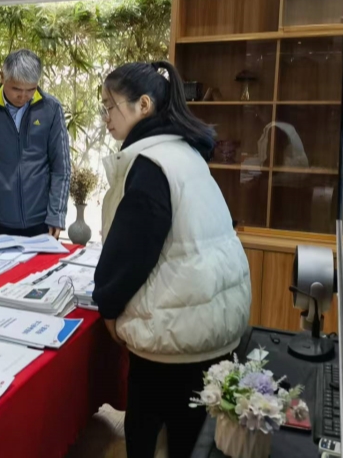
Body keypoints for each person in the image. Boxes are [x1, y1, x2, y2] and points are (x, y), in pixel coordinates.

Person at [93, 61, 251, 458]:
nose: (106, 117)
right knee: (191, 438)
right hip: (208, 320)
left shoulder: (150, 163)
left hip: (175, 337)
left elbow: (131, 251)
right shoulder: (184, 151)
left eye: (110, 107)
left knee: (148, 436)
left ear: (143, 105)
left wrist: (108, 307)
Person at [0, 49, 71, 240]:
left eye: (31, 89)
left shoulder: (51, 109)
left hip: (42, 221)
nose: (23, 96)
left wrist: (56, 214)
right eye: (16, 89)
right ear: (2, 77)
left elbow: (61, 167)